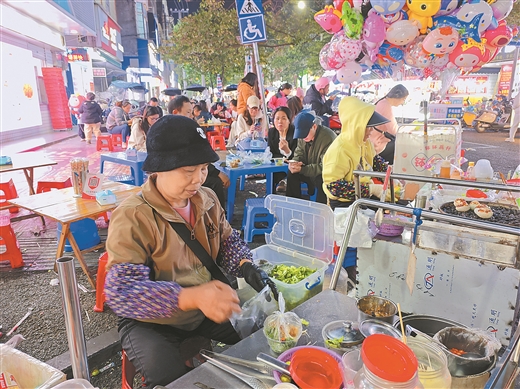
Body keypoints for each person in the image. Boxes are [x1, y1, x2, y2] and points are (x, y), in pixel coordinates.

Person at [104, 115, 278, 387]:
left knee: (267, 340)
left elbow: (227, 241)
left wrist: (246, 265)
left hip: (202, 308)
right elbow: (121, 292)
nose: (198, 179)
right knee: (172, 380)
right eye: (188, 171)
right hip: (150, 322)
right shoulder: (132, 216)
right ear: (158, 169)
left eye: (204, 169)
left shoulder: (206, 200)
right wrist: (192, 297)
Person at [322, 97, 391, 210]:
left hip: (362, 198)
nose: (371, 130)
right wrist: (371, 189)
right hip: (344, 206)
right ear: (356, 125)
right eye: (367, 126)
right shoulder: (340, 150)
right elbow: (334, 187)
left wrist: (390, 177)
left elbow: (375, 161)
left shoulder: (364, 142)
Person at [168, 98, 230, 208]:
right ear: (175, 113)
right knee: (216, 183)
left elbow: (201, 157)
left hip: (187, 173)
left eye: (192, 113)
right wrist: (218, 173)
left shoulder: (185, 130)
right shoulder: (177, 134)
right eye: (188, 112)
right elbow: (198, 159)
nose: (192, 116)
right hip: (179, 177)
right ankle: (219, 215)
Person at [286, 110, 337, 204]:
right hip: (308, 169)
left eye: (305, 133)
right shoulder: (302, 137)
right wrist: (295, 163)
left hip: (324, 173)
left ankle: (320, 210)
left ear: (314, 126)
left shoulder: (328, 138)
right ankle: (293, 205)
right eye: (300, 134)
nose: (303, 137)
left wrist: (302, 169)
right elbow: (299, 152)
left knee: (322, 179)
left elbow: (325, 167)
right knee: (291, 173)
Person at [369, 84, 409, 164]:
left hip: (372, 140)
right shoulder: (386, 105)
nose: (402, 103)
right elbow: (394, 130)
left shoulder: (382, 102)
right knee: (402, 145)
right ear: (398, 96)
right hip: (377, 143)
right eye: (403, 99)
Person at [267, 107, 298, 193]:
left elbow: (298, 156)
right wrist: (282, 159)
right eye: (277, 118)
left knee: (292, 173)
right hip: (278, 166)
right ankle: (272, 199)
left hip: (294, 166)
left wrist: (287, 151)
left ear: (289, 120)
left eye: (284, 118)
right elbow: (271, 153)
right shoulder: (272, 132)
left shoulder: (295, 133)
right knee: (271, 173)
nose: (280, 121)